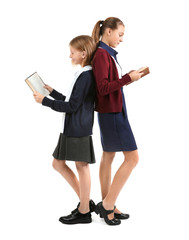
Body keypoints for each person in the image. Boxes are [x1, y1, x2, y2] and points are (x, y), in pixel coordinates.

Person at [33, 35, 97, 224]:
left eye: (72, 52)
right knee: (59, 164)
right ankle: (86, 203)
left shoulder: (86, 75)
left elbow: (72, 107)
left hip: (77, 128)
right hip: (73, 126)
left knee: (81, 166)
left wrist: (45, 101)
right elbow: (72, 102)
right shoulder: (84, 73)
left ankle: (84, 210)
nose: (70, 56)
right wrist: (52, 93)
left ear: (83, 53)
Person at [92, 17, 143, 225]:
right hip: (111, 114)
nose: (122, 39)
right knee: (132, 158)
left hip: (112, 111)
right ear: (109, 32)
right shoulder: (102, 55)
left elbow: (111, 84)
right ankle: (107, 204)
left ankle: (108, 203)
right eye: (120, 34)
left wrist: (127, 78)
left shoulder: (107, 54)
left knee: (109, 155)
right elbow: (103, 88)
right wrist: (128, 79)